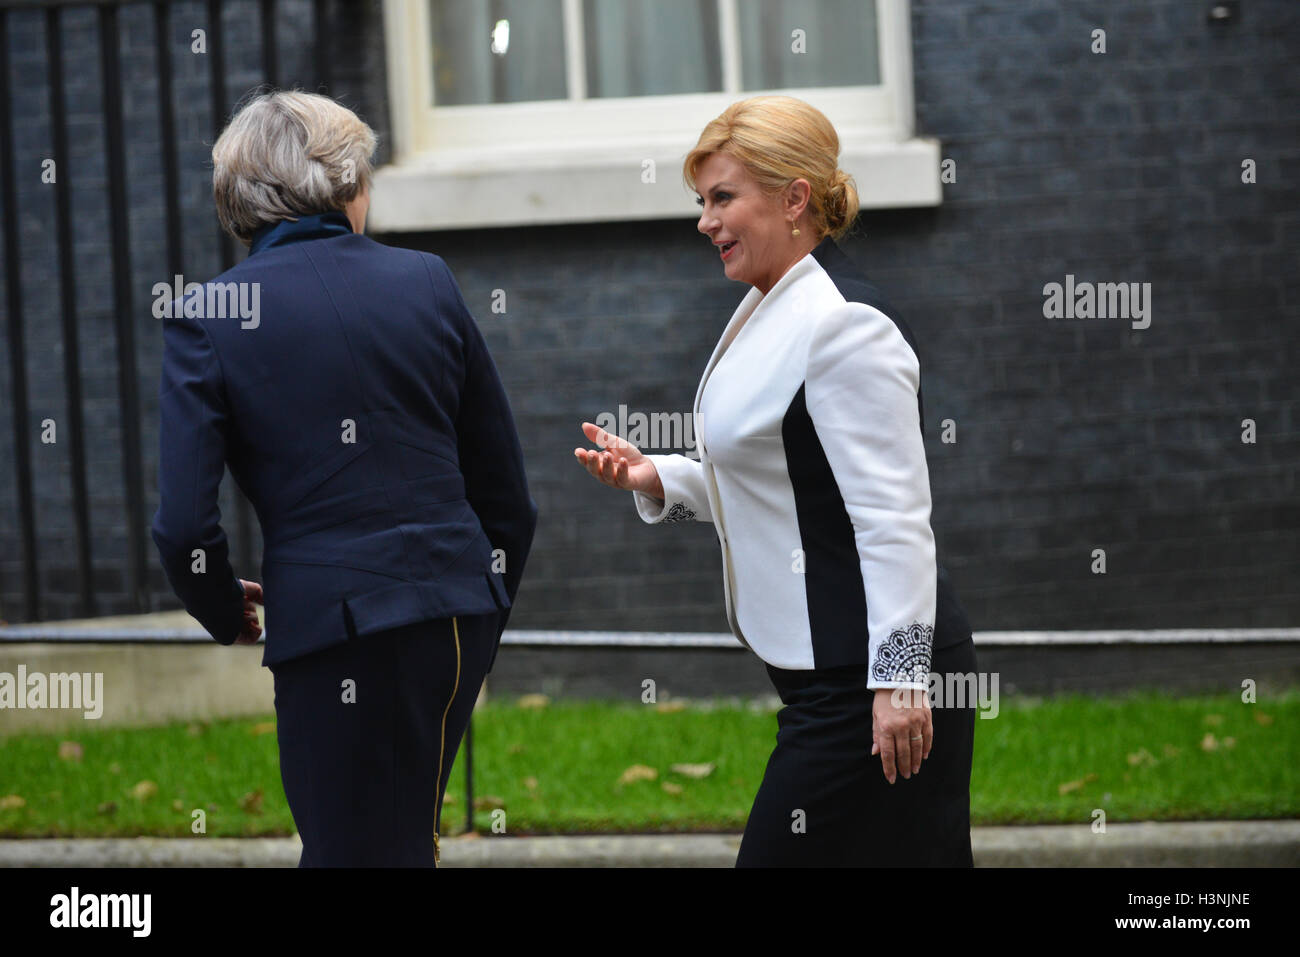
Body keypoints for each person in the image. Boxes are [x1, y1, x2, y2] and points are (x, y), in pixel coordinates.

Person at [574, 95, 977, 866]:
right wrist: (658, 475)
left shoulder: (841, 322)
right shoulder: (772, 303)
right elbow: (781, 478)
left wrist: (898, 683)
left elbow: (893, 515)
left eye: (723, 197)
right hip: (832, 678)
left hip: (869, 684)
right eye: (702, 201)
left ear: (794, 199)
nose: (705, 220)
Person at [152, 89, 536, 867]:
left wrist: (225, 611)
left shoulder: (210, 316)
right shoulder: (426, 279)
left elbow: (185, 528)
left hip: (332, 634)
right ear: (346, 186)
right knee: (399, 842)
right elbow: (507, 498)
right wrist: (477, 610)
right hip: (453, 621)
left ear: (241, 202)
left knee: (350, 851)